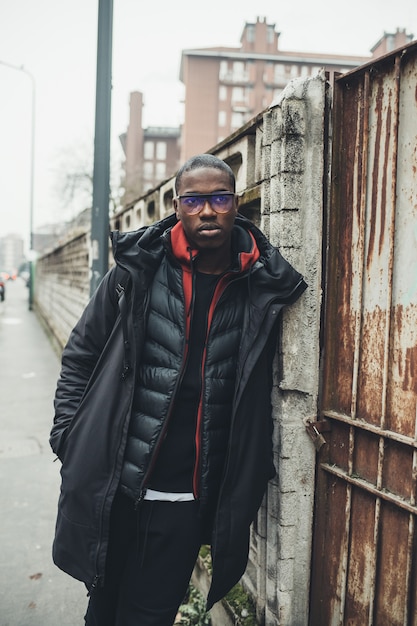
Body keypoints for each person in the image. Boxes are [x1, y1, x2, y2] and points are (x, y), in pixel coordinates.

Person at [50, 154, 307, 625]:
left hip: (185, 501)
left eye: (219, 198)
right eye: (194, 200)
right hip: (117, 486)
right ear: (177, 205)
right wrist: (67, 435)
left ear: (235, 204)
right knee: (102, 611)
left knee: (149, 615)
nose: (207, 211)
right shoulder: (136, 272)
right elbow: (80, 355)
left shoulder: (261, 285)